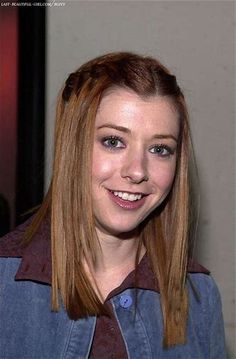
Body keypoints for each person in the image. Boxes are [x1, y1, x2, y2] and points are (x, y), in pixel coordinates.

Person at [0, 52, 226, 358]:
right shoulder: (5, 282)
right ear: (73, 146)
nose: (137, 171)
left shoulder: (199, 296)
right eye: (113, 141)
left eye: (160, 149)